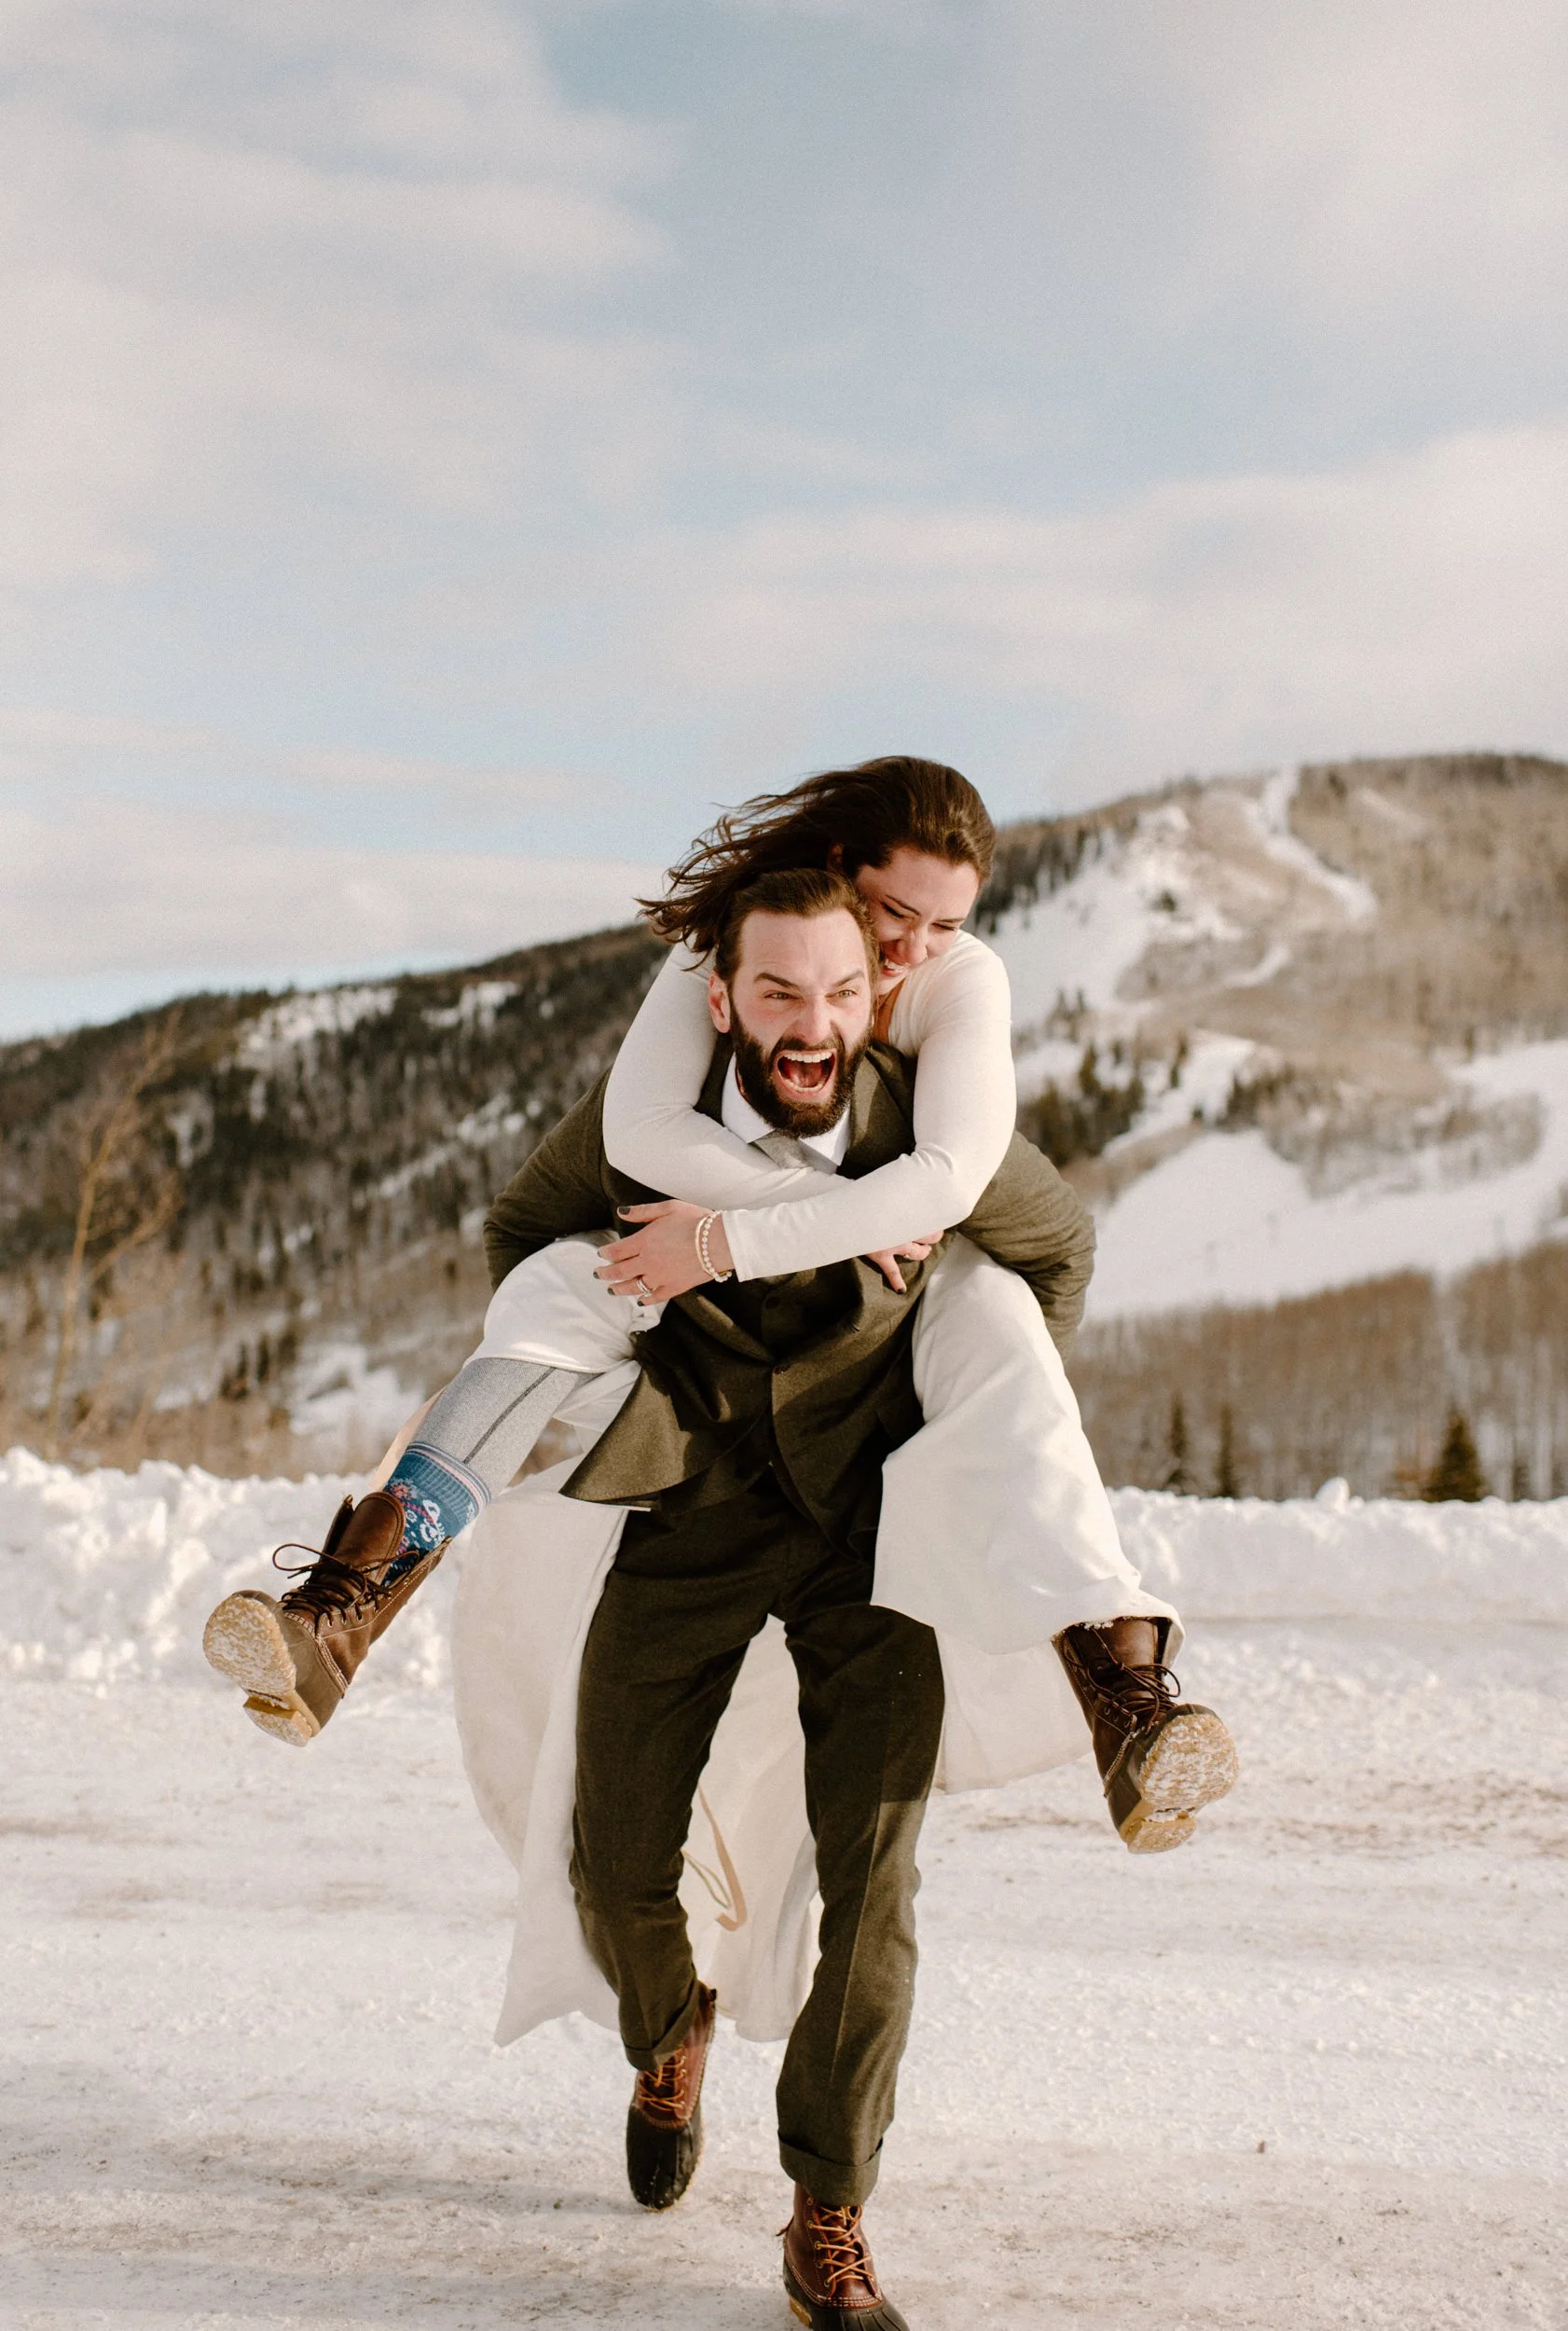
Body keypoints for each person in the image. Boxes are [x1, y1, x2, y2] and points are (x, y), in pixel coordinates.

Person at [441, 867, 1233, 2325]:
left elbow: (1054, 1256)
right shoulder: (647, 1124)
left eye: (845, 990)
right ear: (724, 998)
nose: (813, 1023)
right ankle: (662, 2024)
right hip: (692, 1515)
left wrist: (955, 1362)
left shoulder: (938, 1127)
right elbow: (525, 1243)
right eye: (779, 992)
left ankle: (826, 2212)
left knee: (875, 1883)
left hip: (877, 1542)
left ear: (884, 996)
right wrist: (638, 1367)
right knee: (613, 1849)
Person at [204, 757, 1229, 1855]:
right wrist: (750, 1228)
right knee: (563, 1288)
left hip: (936, 1263)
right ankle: (347, 1605)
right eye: (893, 914)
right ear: (837, 869)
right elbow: (640, 1136)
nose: (909, 951)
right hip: (750, 1240)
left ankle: (1125, 1698)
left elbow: (946, 1184)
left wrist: (728, 1237)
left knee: (1003, 1344)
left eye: (943, 924)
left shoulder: (959, 981)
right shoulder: (735, 946)